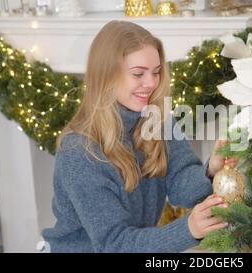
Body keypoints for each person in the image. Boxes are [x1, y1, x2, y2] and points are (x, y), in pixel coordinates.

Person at [41, 20, 238, 252]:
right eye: (138, 74)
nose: (152, 83)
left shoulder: (159, 119)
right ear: (107, 75)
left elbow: (180, 187)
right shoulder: (79, 151)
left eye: (156, 72)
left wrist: (211, 171)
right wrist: (188, 230)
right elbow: (114, 244)